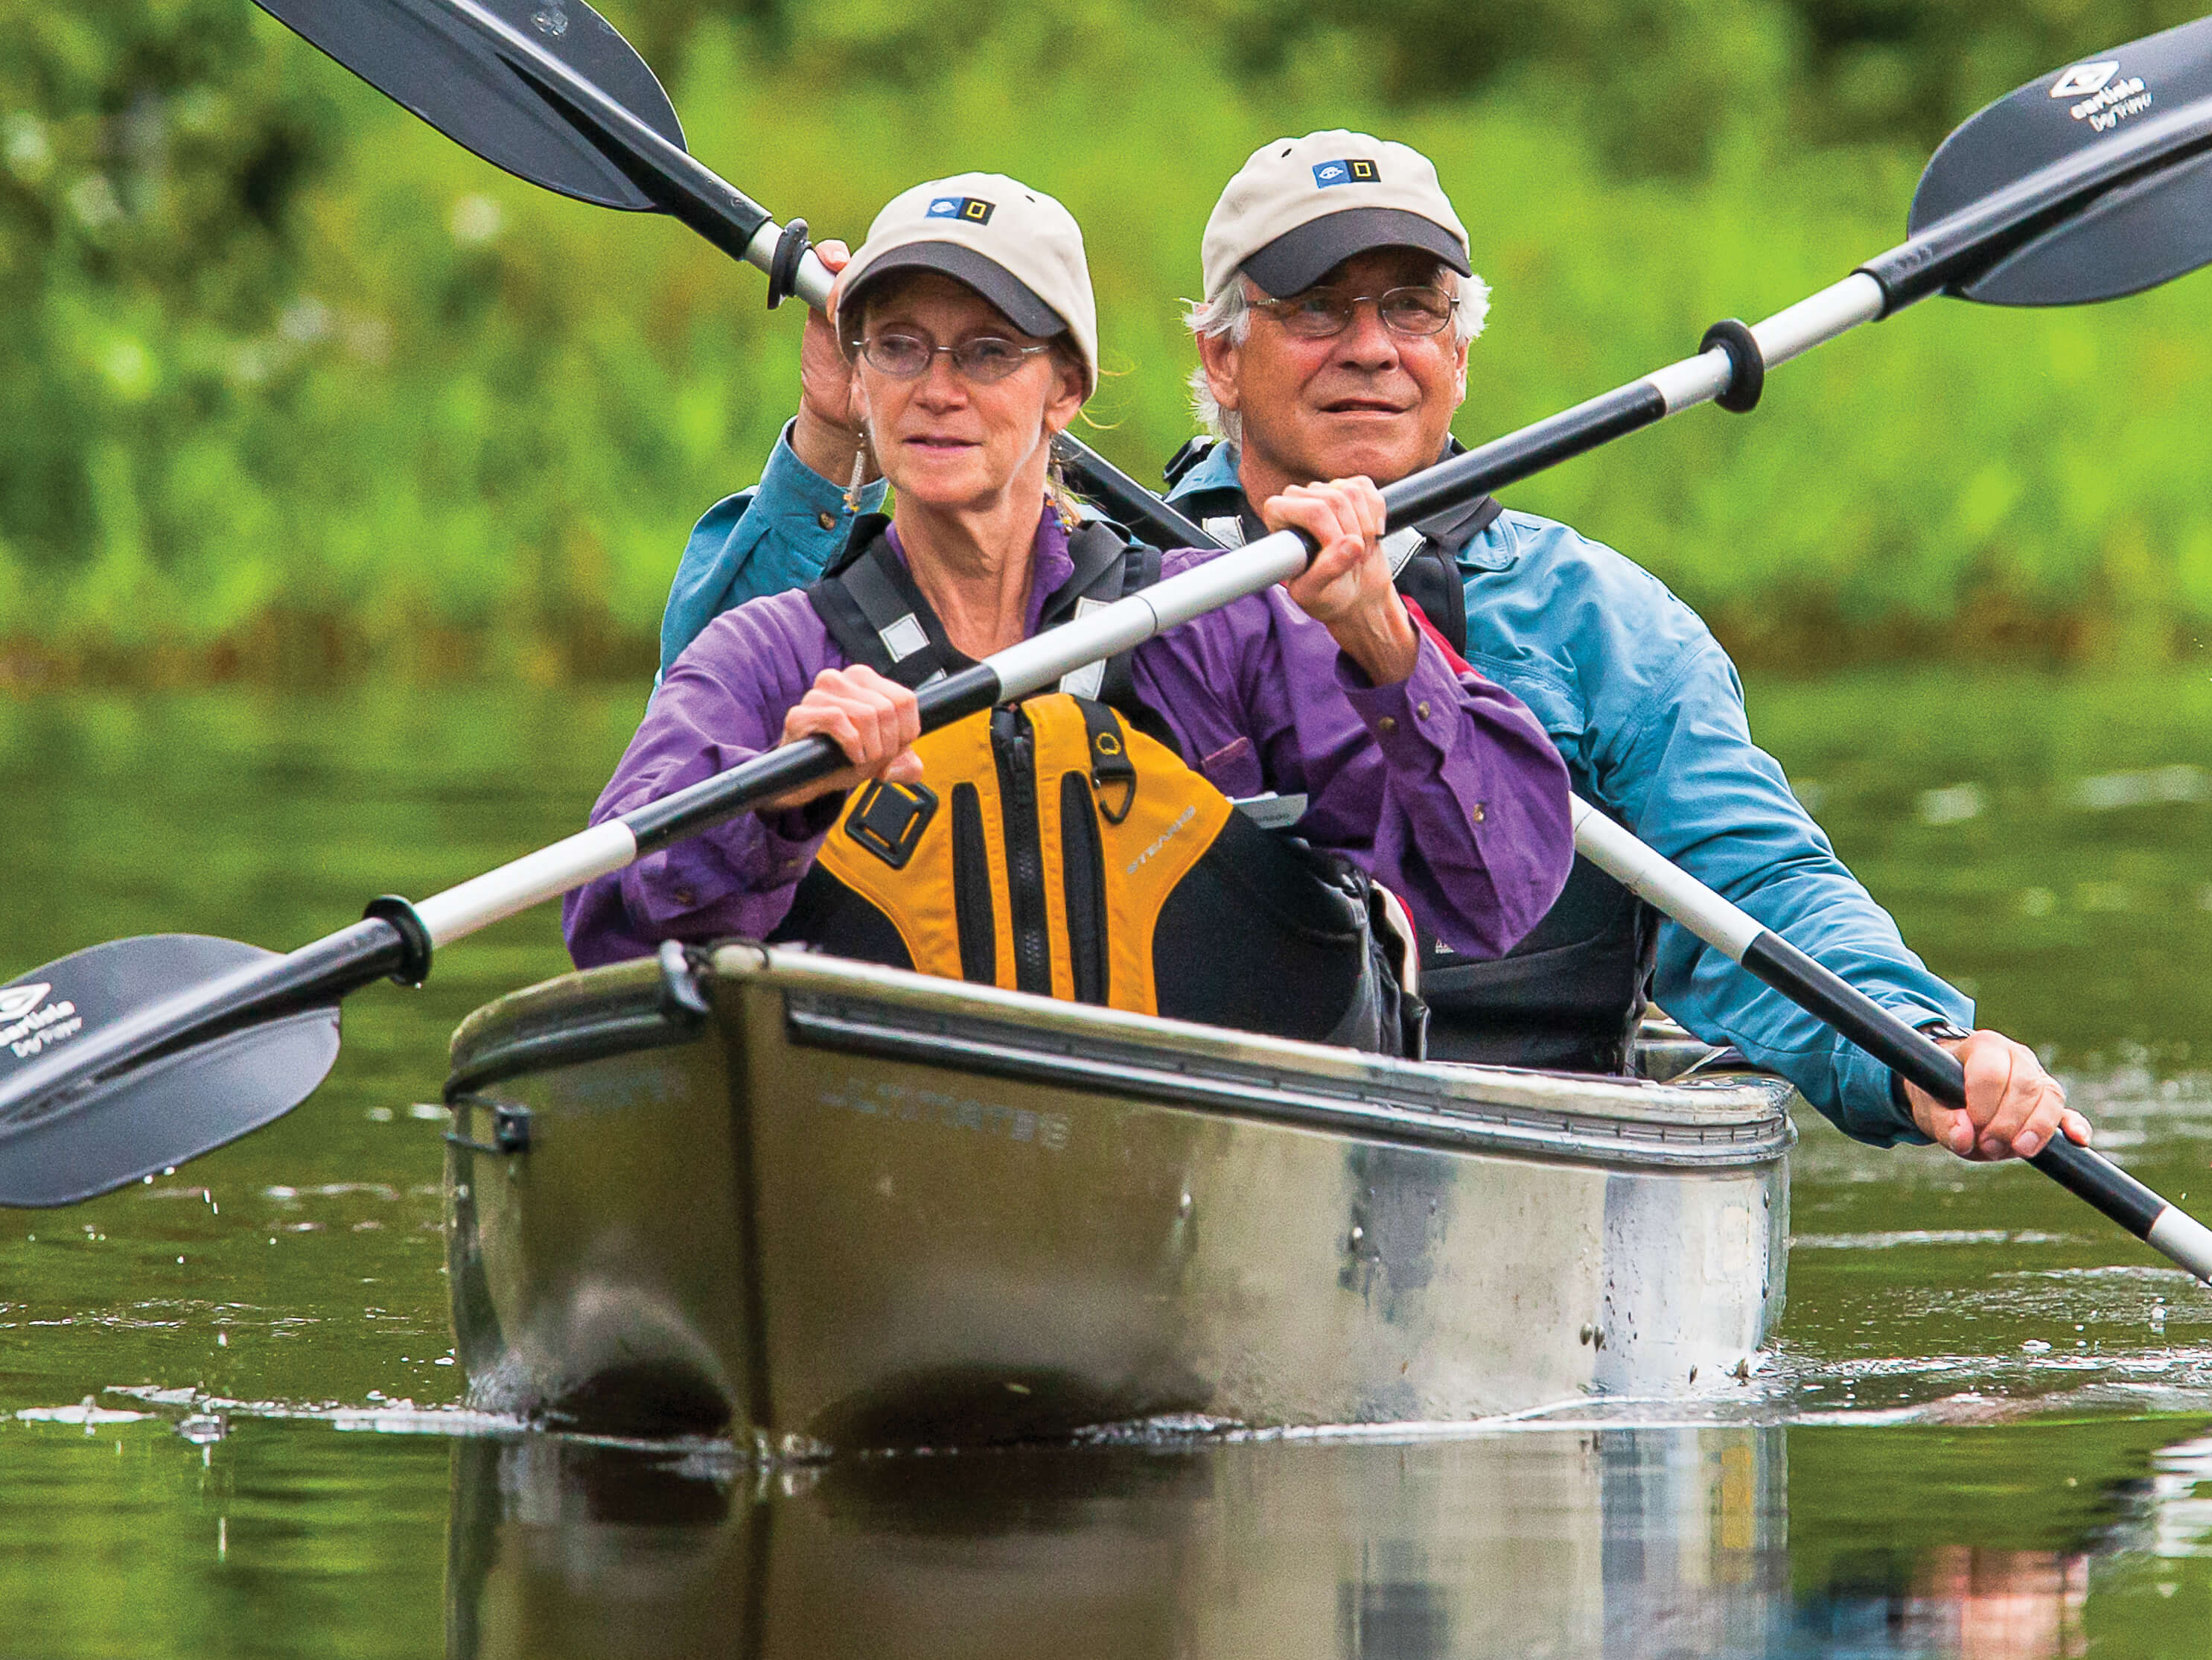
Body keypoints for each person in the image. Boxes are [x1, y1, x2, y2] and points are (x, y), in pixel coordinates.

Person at [660, 138, 2087, 1165]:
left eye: (1411, 309)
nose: (1370, 349)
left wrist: (1919, 1053)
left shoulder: (1604, 626)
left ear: (1461, 354)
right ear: (1217, 360)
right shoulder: (1098, 580)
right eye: (1313, 311)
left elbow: (1763, 893)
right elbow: (706, 735)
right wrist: (835, 438)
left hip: (1514, 1141)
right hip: (1119, 1142)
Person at [564, 172, 1573, 1050]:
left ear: (1066, 388)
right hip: (889, 1157)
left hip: (1203, 1179)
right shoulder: (772, 654)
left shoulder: (1213, 625)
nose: (939, 391)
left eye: (990, 352)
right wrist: (779, 810)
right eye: (901, 349)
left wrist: (1381, 640)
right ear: (857, 383)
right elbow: (606, 935)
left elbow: (1499, 890)